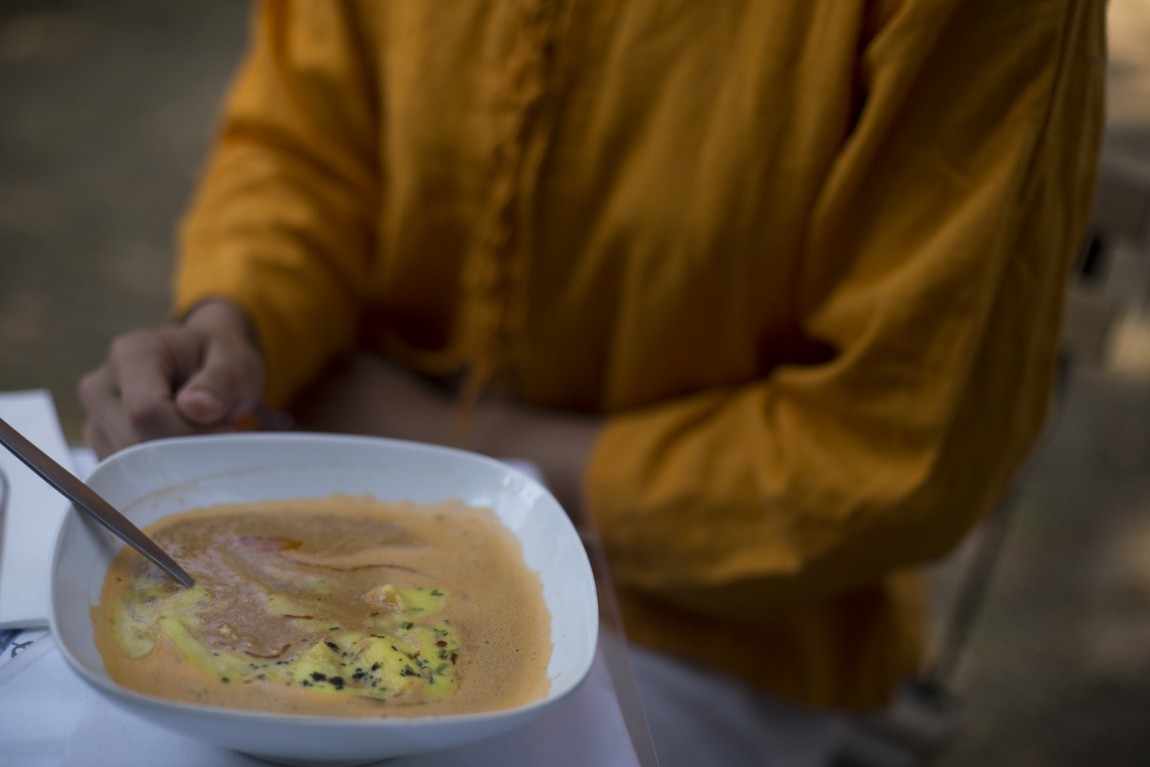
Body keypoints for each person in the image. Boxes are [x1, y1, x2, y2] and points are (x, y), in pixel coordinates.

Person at [79, 1, 1106, 763]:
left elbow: (900, 448)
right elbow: (303, 144)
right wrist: (237, 316)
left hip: (716, 622)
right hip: (319, 505)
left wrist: (457, 442)